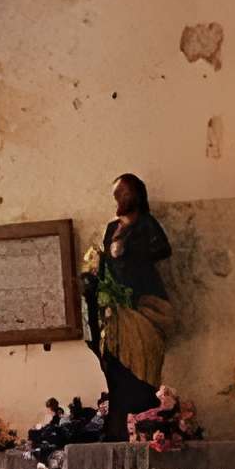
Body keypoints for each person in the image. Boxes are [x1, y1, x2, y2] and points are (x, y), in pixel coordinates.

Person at [88, 173, 175, 420]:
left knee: (147, 351)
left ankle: (147, 402)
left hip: (144, 298)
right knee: (121, 360)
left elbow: (162, 249)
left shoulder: (146, 223)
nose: (120, 198)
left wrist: (130, 250)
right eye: (117, 194)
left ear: (135, 195)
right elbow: (105, 262)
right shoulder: (111, 228)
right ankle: (127, 405)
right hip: (117, 305)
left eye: (124, 193)